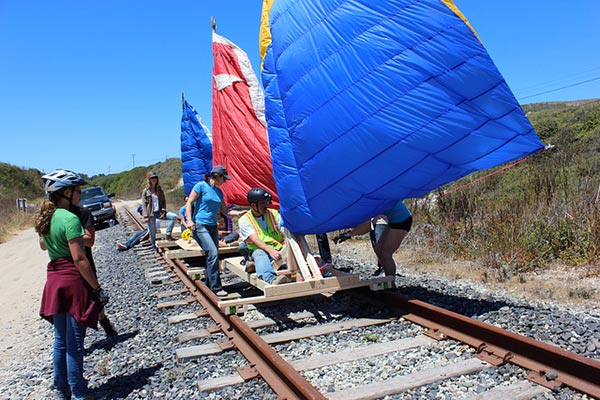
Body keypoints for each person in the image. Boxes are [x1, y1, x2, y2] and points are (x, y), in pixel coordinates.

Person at [34, 169, 109, 400]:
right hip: (72, 280)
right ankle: (78, 393)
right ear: (66, 192)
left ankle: (61, 390)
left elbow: (43, 247)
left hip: (54, 279)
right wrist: (97, 288)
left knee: (60, 341)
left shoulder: (48, 219)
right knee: (75, 343)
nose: (80, 194)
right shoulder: (70, 218)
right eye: (77, 190)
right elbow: (79, 258)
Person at [184, 165, 242, 296]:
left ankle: (208, 284)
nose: (225, 181)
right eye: (224, 178)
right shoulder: (201, 186)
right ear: (217, 176)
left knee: (211, 255)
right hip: (200, 225)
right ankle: (216, 287)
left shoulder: (219, 192)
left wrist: (238, 213)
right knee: (213, 252)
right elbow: (189, 203)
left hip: (212, 227)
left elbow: (225, 211)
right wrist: (189, 220)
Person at [334, 200, 412, 278]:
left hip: (403, 220)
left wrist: (349, 235)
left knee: (385, 254)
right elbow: (367, 226)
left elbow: (366, 226)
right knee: (378, 250)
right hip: (394, 220)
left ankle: (390, 283)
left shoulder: (368, 204)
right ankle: (387, 279)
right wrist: (349, 234)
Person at [72, 205, 117, 337]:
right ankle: (78, 337)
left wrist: (69, 237)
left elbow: (90, 240)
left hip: (85, 261)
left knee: (94, 296)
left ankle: (103, 320)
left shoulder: (83, 213)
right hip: (66, 265)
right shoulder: (55, 215)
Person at [238, 188, 293, 285]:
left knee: (291, 251)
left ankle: (313, 269)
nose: (266, 206)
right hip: (257, 249)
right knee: (260, 255)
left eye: (267, 202)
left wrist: (287, 245)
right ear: (253, 205)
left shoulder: (274, 214)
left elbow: (285, 231)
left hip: (277, 247)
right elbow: (255, 240)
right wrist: (270, 250)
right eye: (262, 203)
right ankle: (271, 279)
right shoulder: (244, 220)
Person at [141, 172, 178, 250]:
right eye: (152, 178)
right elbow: (144, 204)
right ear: (149, 180)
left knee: (174, 217)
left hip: (159, 212)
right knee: (152, 232)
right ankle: (154, 247)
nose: (154, 179)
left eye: (155, 178)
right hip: (151, 214)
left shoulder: (159, 189)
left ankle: (168, 233)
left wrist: (164, 210)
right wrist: (145, 216)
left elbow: (163, 201)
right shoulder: (146, 191)